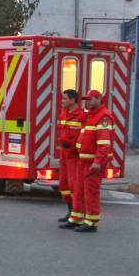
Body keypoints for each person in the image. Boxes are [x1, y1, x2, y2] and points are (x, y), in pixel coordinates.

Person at [73, 89, 115, 234]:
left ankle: (91, 222)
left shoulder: (103, 117)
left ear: (98, 99)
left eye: (90, 99)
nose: (87, 102)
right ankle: (77, 218)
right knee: (79, 191)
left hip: (92, 163)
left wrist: (97, 162)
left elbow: (104, 144)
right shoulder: (91, 116)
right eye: (86, 100)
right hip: (84, 161)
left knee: (91, 192)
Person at [55, 89, 85, 229]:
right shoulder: (64, 113)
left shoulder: (81, 115)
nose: (62, 101)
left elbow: (84, 136)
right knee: (64, 184)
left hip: (74, 155)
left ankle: (76, 214)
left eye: (65, 98)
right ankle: (70, 211)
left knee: (74, 186)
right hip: (64, 153)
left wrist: (75, 148)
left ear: (73, 100)